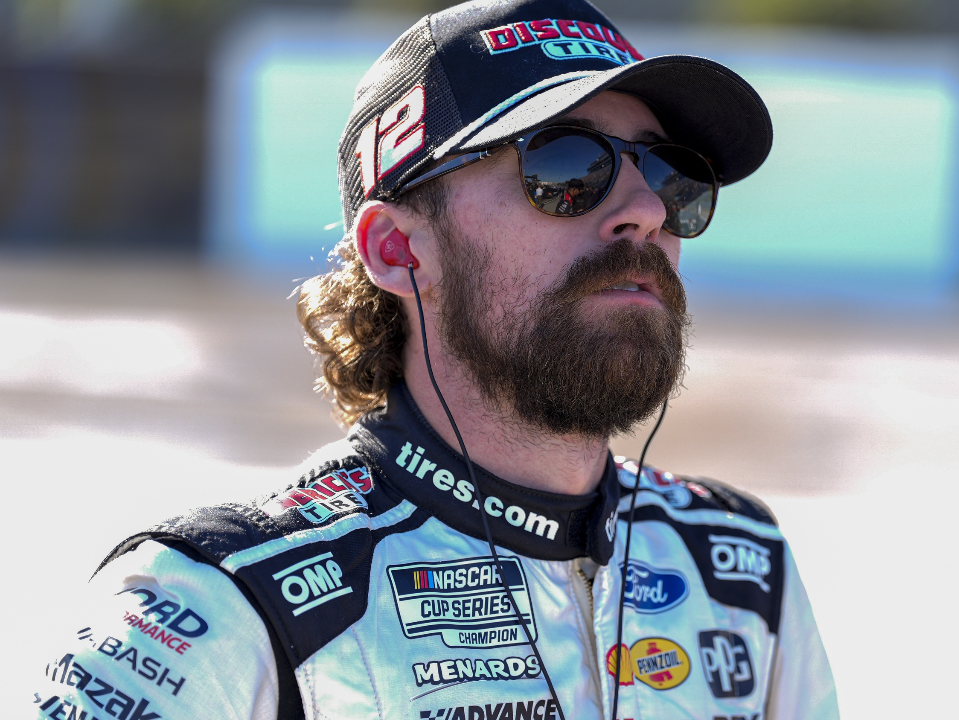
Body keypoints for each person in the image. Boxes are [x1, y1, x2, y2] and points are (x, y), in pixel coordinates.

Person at [33, 0, 838, 718]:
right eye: (567, 167)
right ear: (397, 248)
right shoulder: (216, 607)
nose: (645, 210)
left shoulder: (742, 572)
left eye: (671, 173)